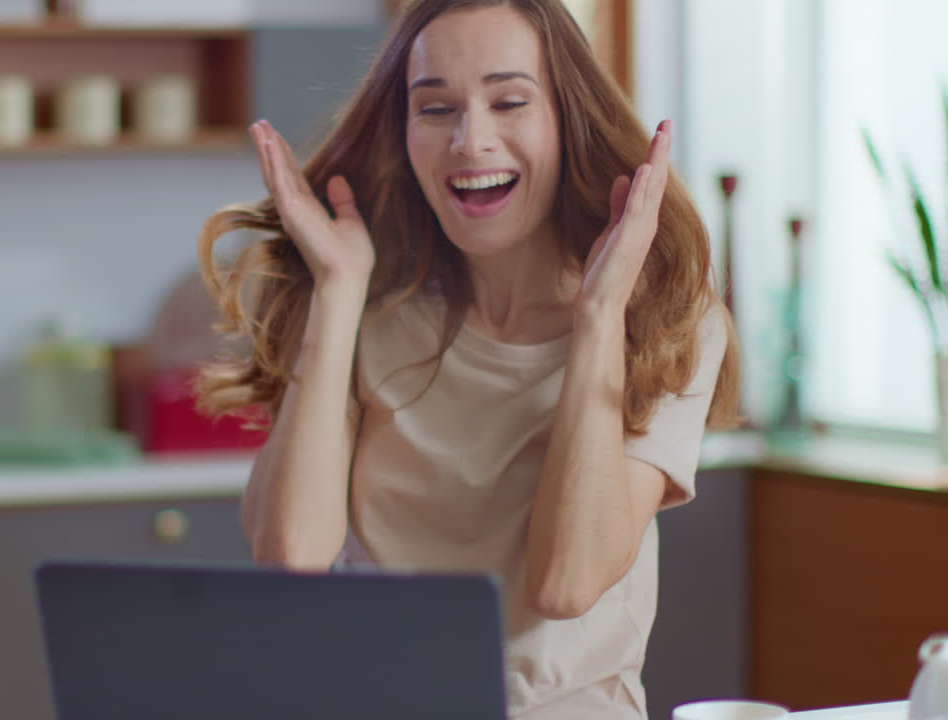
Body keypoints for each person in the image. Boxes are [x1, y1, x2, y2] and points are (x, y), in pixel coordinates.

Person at [195, 0, 741, 717]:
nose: (469, 139)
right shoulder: (370, 307)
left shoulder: (666, 322)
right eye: (435, 108)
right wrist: (337, 289)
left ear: (567, 119)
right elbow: (291, 554)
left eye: (509, 101)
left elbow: (567, 584)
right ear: (404, 133)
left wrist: (600, 315)